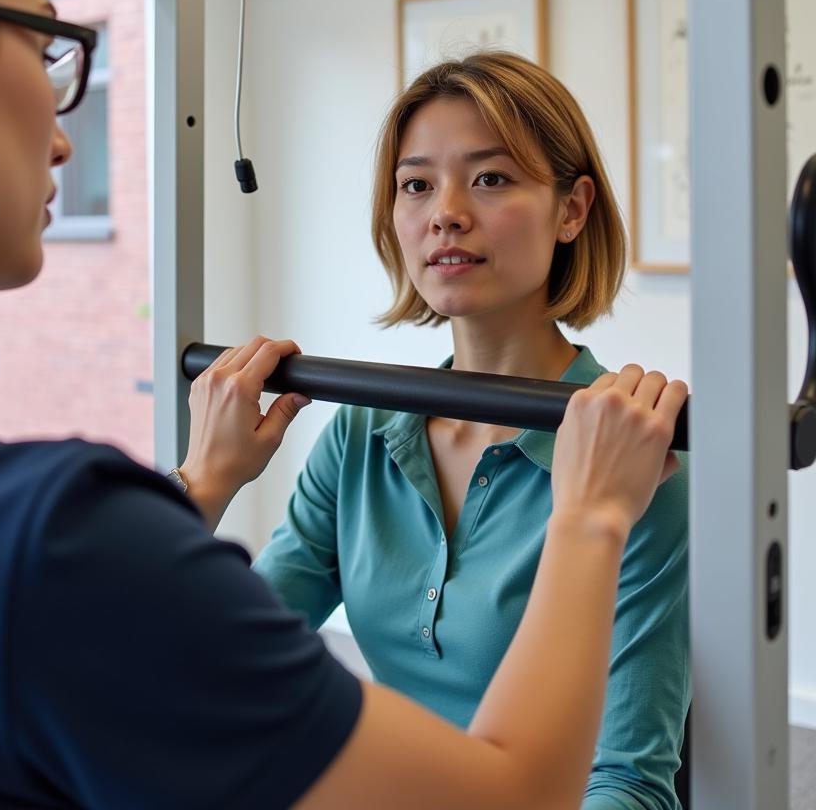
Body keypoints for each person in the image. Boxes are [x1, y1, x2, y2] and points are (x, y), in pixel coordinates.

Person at [0, 0, 687, 809]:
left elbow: (174, 676)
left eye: (489, 180)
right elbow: (488, 786)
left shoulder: (620, 444)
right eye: (47, 42)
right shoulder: (64, 531)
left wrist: (198, 484)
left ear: (570, 209)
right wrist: (587, 521)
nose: (60, 128)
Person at [184, 54, 690, 809]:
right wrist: (202, 484)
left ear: (572, 210)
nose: (444, 212)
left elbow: (628, 783)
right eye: (416, 184)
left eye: (490, 178)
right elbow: (230, 670)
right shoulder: (364, 431)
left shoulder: (629, 459)